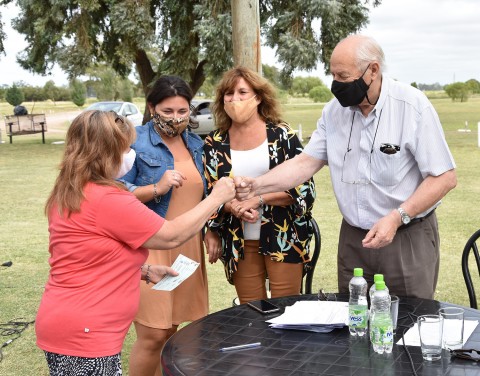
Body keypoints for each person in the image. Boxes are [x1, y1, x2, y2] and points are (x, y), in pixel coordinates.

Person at [234, 35, 457, 300]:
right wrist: (255, 185)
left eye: (343, 76)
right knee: (355, 321)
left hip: (405, 236)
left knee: (406, 324)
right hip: (354, 240)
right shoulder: (333, 112)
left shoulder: (412, 106)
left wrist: (397, 217)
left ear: (372, 70)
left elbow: (444, 177)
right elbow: (305, 163)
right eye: (333, 75)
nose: (336, 85)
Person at [35, 110, 235, 375]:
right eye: (126, 148)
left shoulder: (70, 190)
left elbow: (85, 256)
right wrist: (216, 197)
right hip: (86, 332)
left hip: (69, 322)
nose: (131, 154)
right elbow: (171, 235)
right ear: (107, 152)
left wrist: (143, 271)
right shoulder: (107, 199)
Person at [119, 75, 217, 376]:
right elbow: (113, 190)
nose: (176, 118)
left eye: (182, 111)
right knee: (153, 335)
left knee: (174, 332)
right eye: (168, 111)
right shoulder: (133, 140)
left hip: (188, 248)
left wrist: (210, 228)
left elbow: (205, 192)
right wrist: (156, 188)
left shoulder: (196, 144)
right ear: (151, 108)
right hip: (150, 246)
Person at [203, 66, 316, 304]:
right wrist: (230, 208)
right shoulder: (215, 142)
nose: (235, 99)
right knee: (250, 313)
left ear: (258, 97)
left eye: (242, 92)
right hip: (239, 240)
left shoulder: (281, 135)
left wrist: (259, 198)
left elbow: (304, 189)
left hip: (284, 235)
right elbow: (210, 191)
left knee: (286, 311)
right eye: (229, 94)